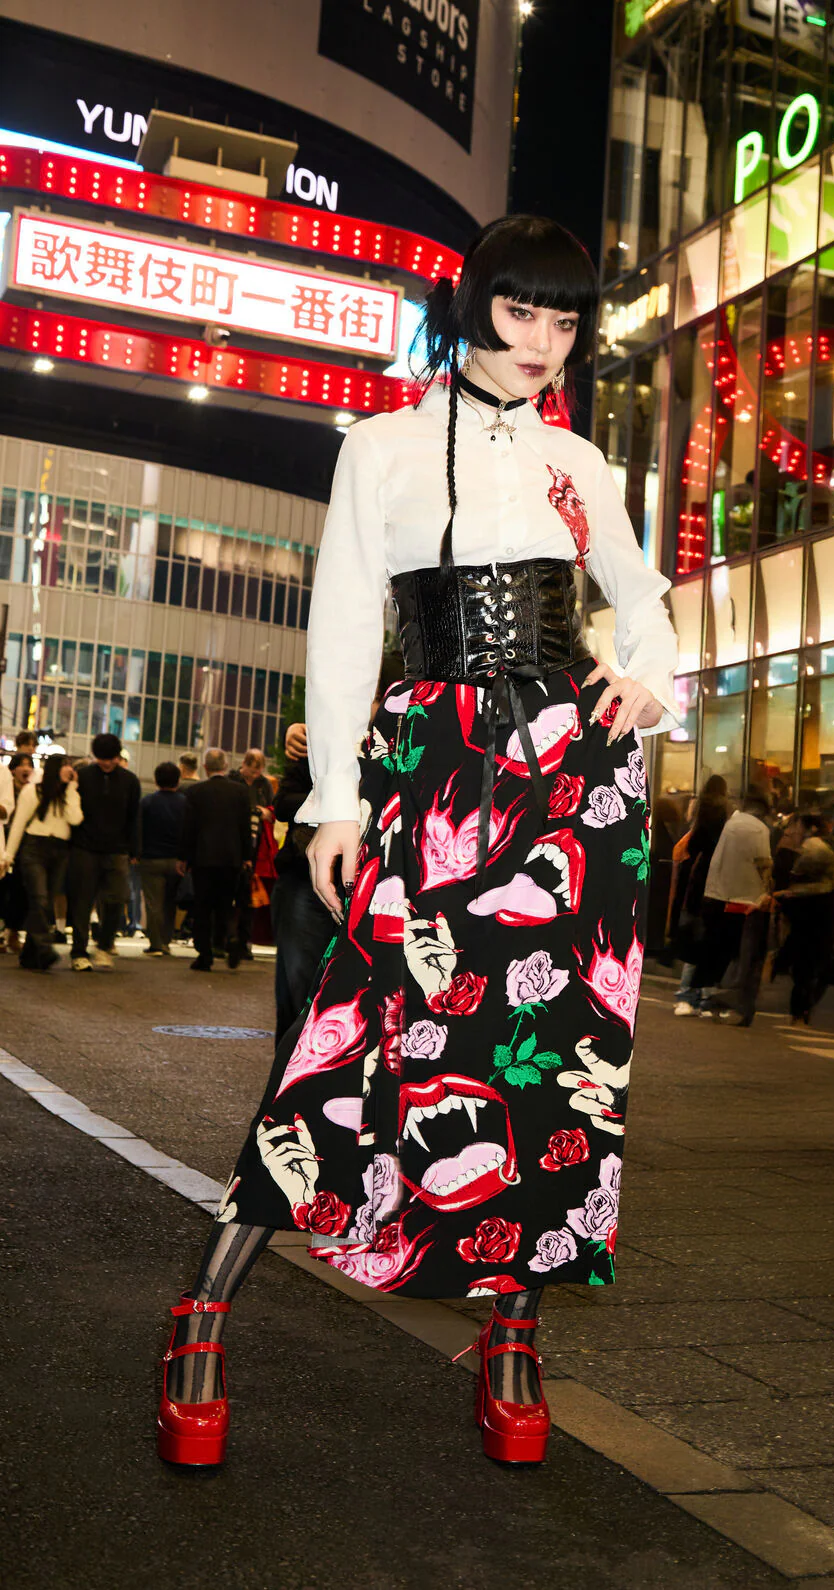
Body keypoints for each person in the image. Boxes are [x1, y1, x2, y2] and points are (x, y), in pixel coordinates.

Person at [155, 214, 679, 1473]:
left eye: (564, 325)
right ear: (474, 304)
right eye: (521, 315)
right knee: (349, 1028)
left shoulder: (581, 465)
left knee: (551, 1060)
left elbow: (645, 601)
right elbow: (343, 621)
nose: (541, 346)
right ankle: (205, 1314)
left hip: (569, 776)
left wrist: (652, 672)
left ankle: (512, 1333)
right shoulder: (383, 448)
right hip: (429, 765)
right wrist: (332, 797)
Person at [270, 722, 334, 1042]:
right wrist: (336, 796)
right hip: (304, 876)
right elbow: (283, 804)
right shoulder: (316, 740)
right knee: (300, 987)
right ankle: (291, 1075)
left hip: (372, 879)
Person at [698, 788, 773, 1026]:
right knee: (746, 956)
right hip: (748, 900)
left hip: (720, 894)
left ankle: (715, 997)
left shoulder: (731, 824)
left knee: (722, 949)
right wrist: (767, 890)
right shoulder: (759, 829)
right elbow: (763, 863)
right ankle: (730, 1001)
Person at [66, 733, 140, 972]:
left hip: (117, 850)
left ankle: (104, 944)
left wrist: (134, 849)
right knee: (82, 902)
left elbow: (134, 817)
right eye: (101, 758)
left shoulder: (130, 781)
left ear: (117, 756)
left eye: (110, 758)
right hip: (85, 848)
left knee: (118, 898)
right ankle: (79, 951)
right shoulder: (84, 776)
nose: (106, 763)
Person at [0, 753, 82, 970]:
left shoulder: (70, 793)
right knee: (40, 898)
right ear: (56, 768)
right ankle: (45, 949)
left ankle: (30, 955)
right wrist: (7, 856)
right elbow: (18, 824)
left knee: (44, 904)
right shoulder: (33, 791)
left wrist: (72, 789)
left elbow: (75, 819)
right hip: (34, 849)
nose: (70, 770)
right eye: (66, 766)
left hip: (60, 851)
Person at [178, 748, 253, 971]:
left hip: (203, 858)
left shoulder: (195, 792)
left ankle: (205, 955)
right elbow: (245, 827)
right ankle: (230, 937)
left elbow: (189, 828)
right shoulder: (240, 792)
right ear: (225, 766)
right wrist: (247, 857)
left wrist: (184, 857)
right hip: (231, 858)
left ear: (205, 767)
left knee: (202, 906)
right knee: (225, 903)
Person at [775, 812, 834, 1025]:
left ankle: (799, 1009)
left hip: (812, 909)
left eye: (795, 826)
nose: (791, 831)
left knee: (805, 964)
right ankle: (802, 1008)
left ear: (809, 828)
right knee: (814, 963)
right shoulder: (823, 849)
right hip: (823, 911)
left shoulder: (813, 848)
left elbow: (798, 877)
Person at [669, 775, 728, 1015]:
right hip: (716, 888)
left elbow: (689, 851)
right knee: (708, 942)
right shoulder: (724, 819)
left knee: (693, 940)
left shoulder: (698, 821)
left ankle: (687, 994)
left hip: (694, 889)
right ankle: (703, 995)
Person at [229, 749, 275, 961]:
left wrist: (264, 812)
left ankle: (244, 942)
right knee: (231, 894)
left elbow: (272, 811)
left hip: (257, 846)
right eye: (252, 771)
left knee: (249, 897)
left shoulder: (264, 784)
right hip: (233, 844)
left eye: (259, 772)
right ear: (244, 765)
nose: (255, 775)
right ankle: (226, 939)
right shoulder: (233, 780)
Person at [138, 762, 187, 956]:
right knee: (170, 903)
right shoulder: (185, 803)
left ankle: (156, 944)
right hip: (177, 860)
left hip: (151, 859)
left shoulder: (147, 802)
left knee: (153, 903)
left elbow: (139, 828)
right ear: (178, 780)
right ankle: (166, 940)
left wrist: (137, 853)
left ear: (157, 780)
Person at [0, 752, 35, 954]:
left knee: (20, 891)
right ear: (14, 769)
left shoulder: (33, 790)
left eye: (29, 764)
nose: (26, 768)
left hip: (24, 845)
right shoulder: (7, 783)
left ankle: (13, 932)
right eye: (21, 764)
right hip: (5, 841)